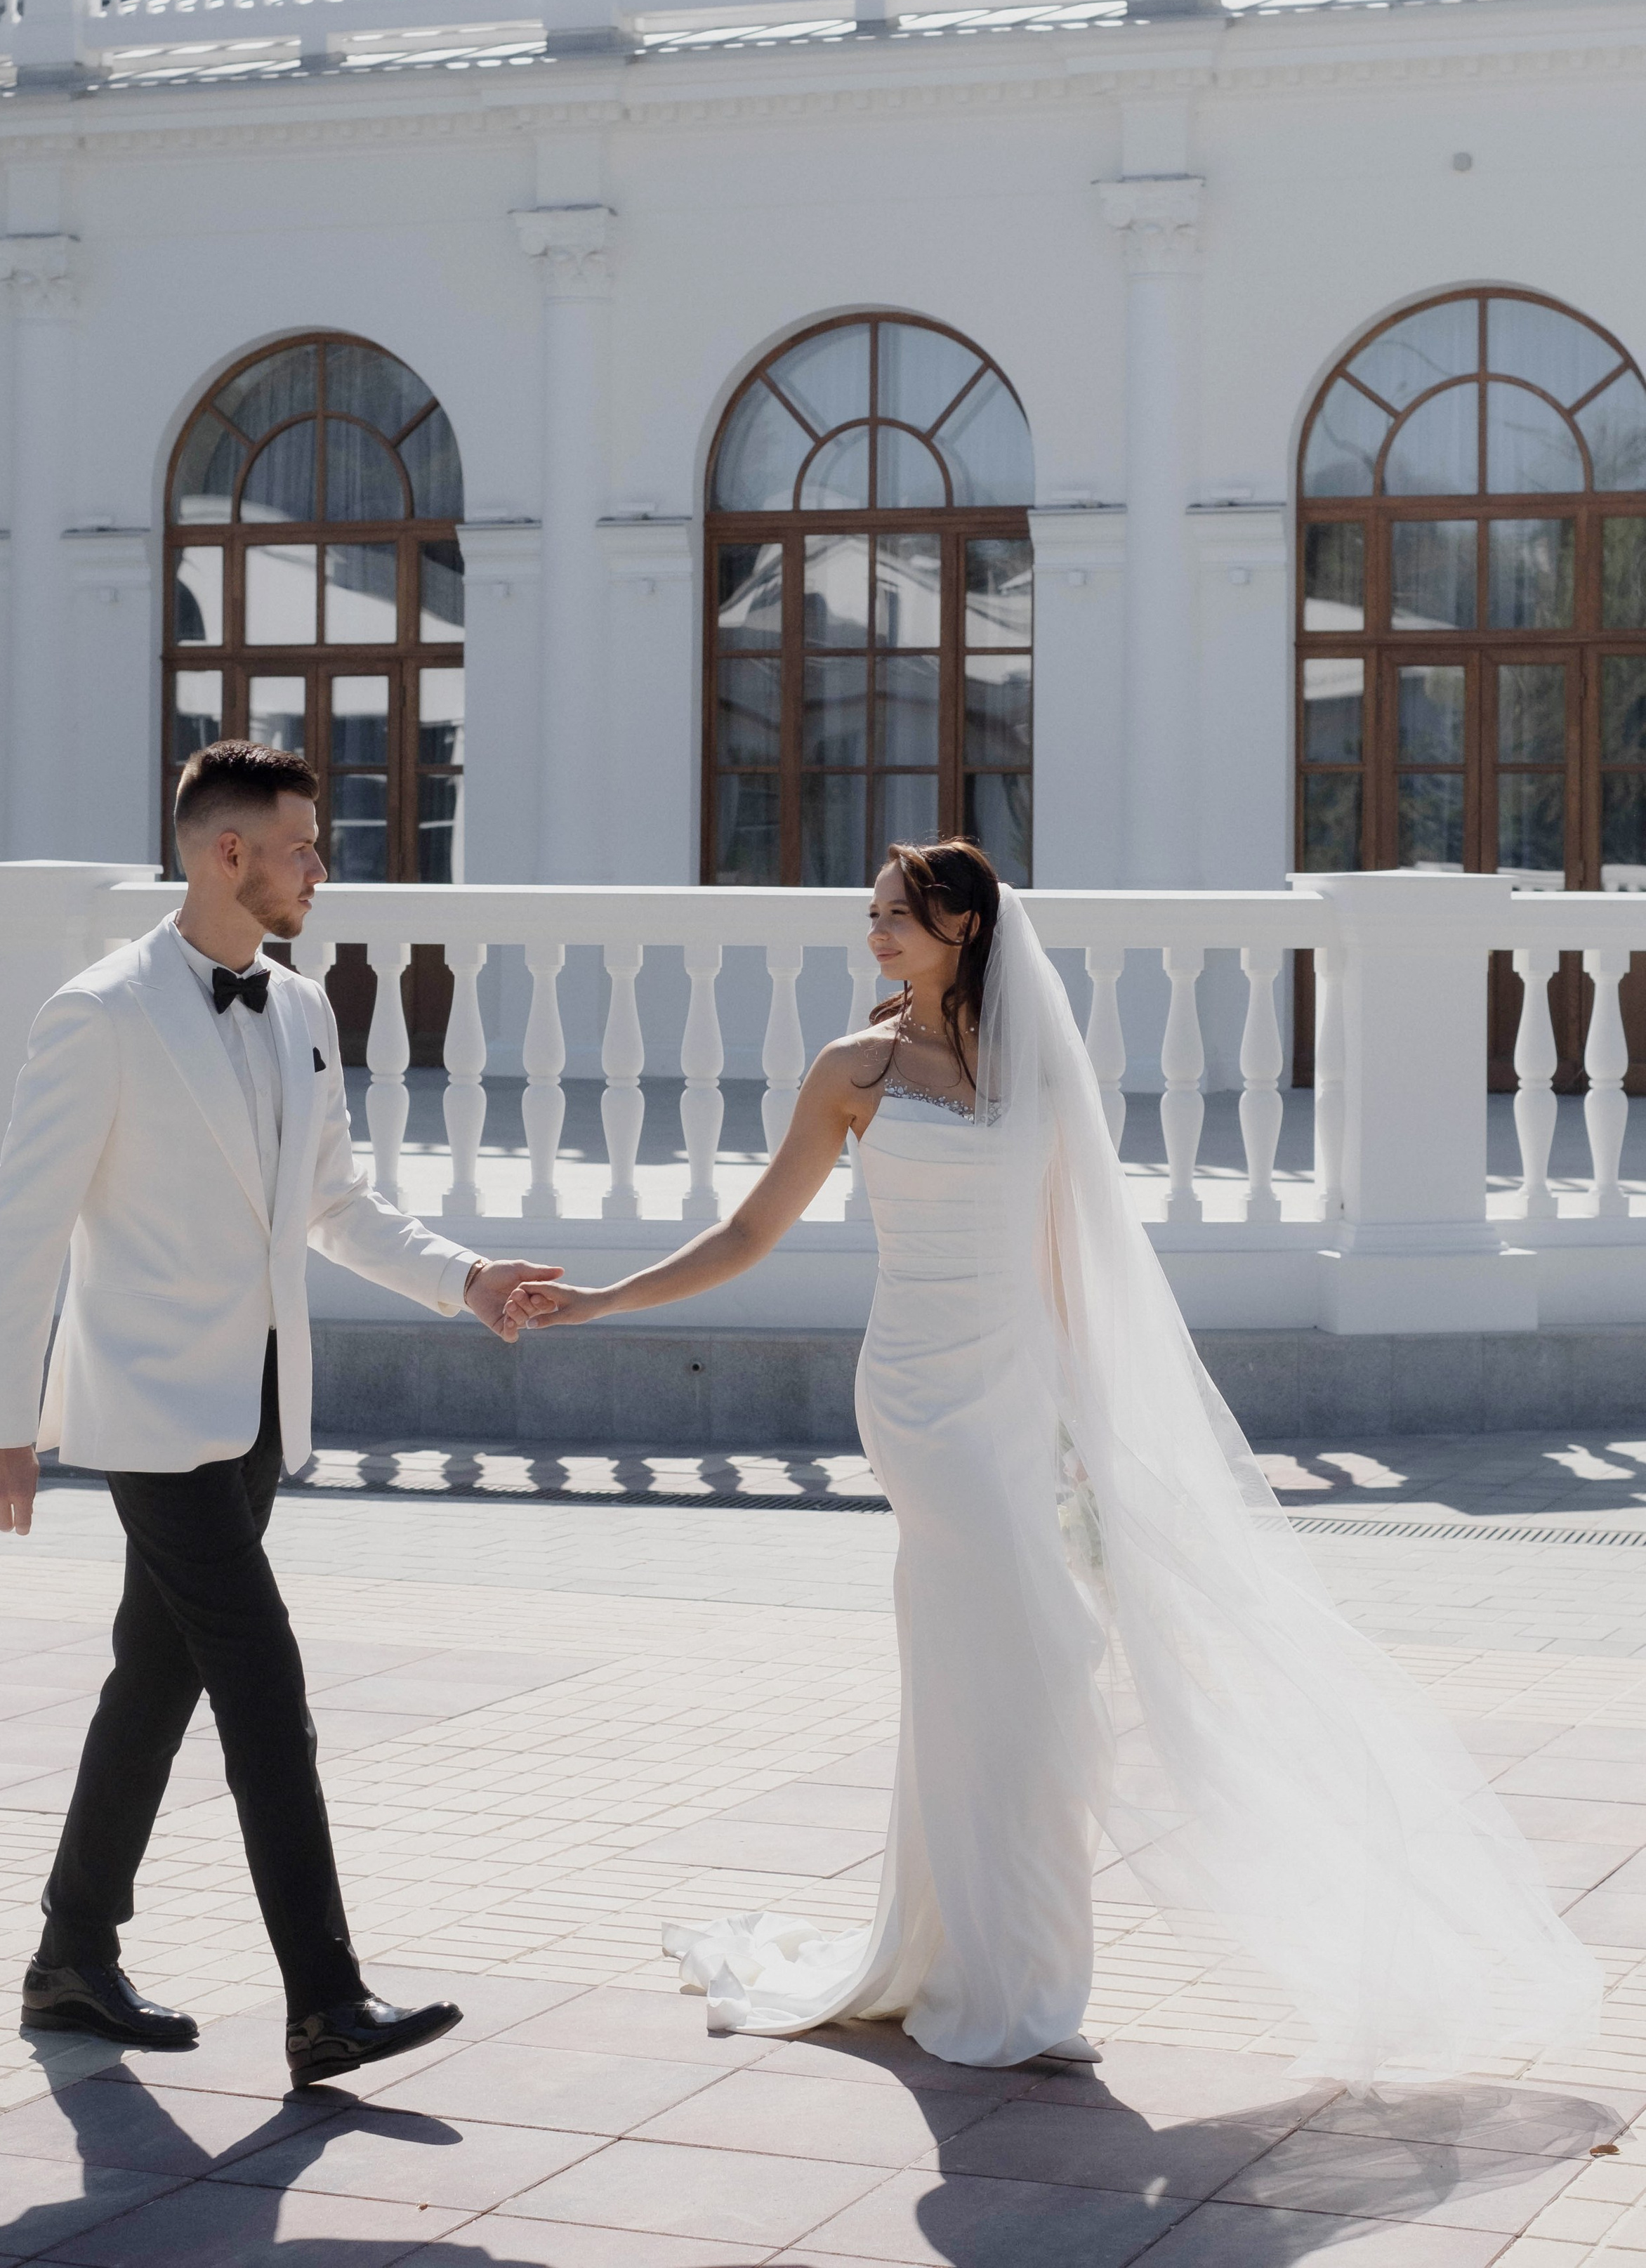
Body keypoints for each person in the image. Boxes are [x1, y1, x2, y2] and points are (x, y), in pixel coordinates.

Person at [508, 838, 1601, 2081]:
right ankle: (1004, 1984)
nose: (873, 936)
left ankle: (986, 1963)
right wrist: (600, 1303)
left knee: (1023, 1677)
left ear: (965, 926)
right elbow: (753, 1227)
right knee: (1011, 1668)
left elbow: (1077, 1262)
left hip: (1023, 1393)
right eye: (870, 918)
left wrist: (1097, 1434)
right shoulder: (853, 1068)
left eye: (894, 917)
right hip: (920, 1401)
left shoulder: (1040, 1071)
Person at [0, 741, 563, 2088]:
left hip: (259, 1415)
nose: (319, 867)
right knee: (264, 1683)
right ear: (226, 853)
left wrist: (468, 1280)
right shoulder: (100, 1012)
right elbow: (23, 1223)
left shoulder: (293, 1009)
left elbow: (334, 1207)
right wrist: (0, 1423)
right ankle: (326, 2001)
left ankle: (69, 1959)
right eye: (302, 845)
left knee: (155, 1679)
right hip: (152, 1415)